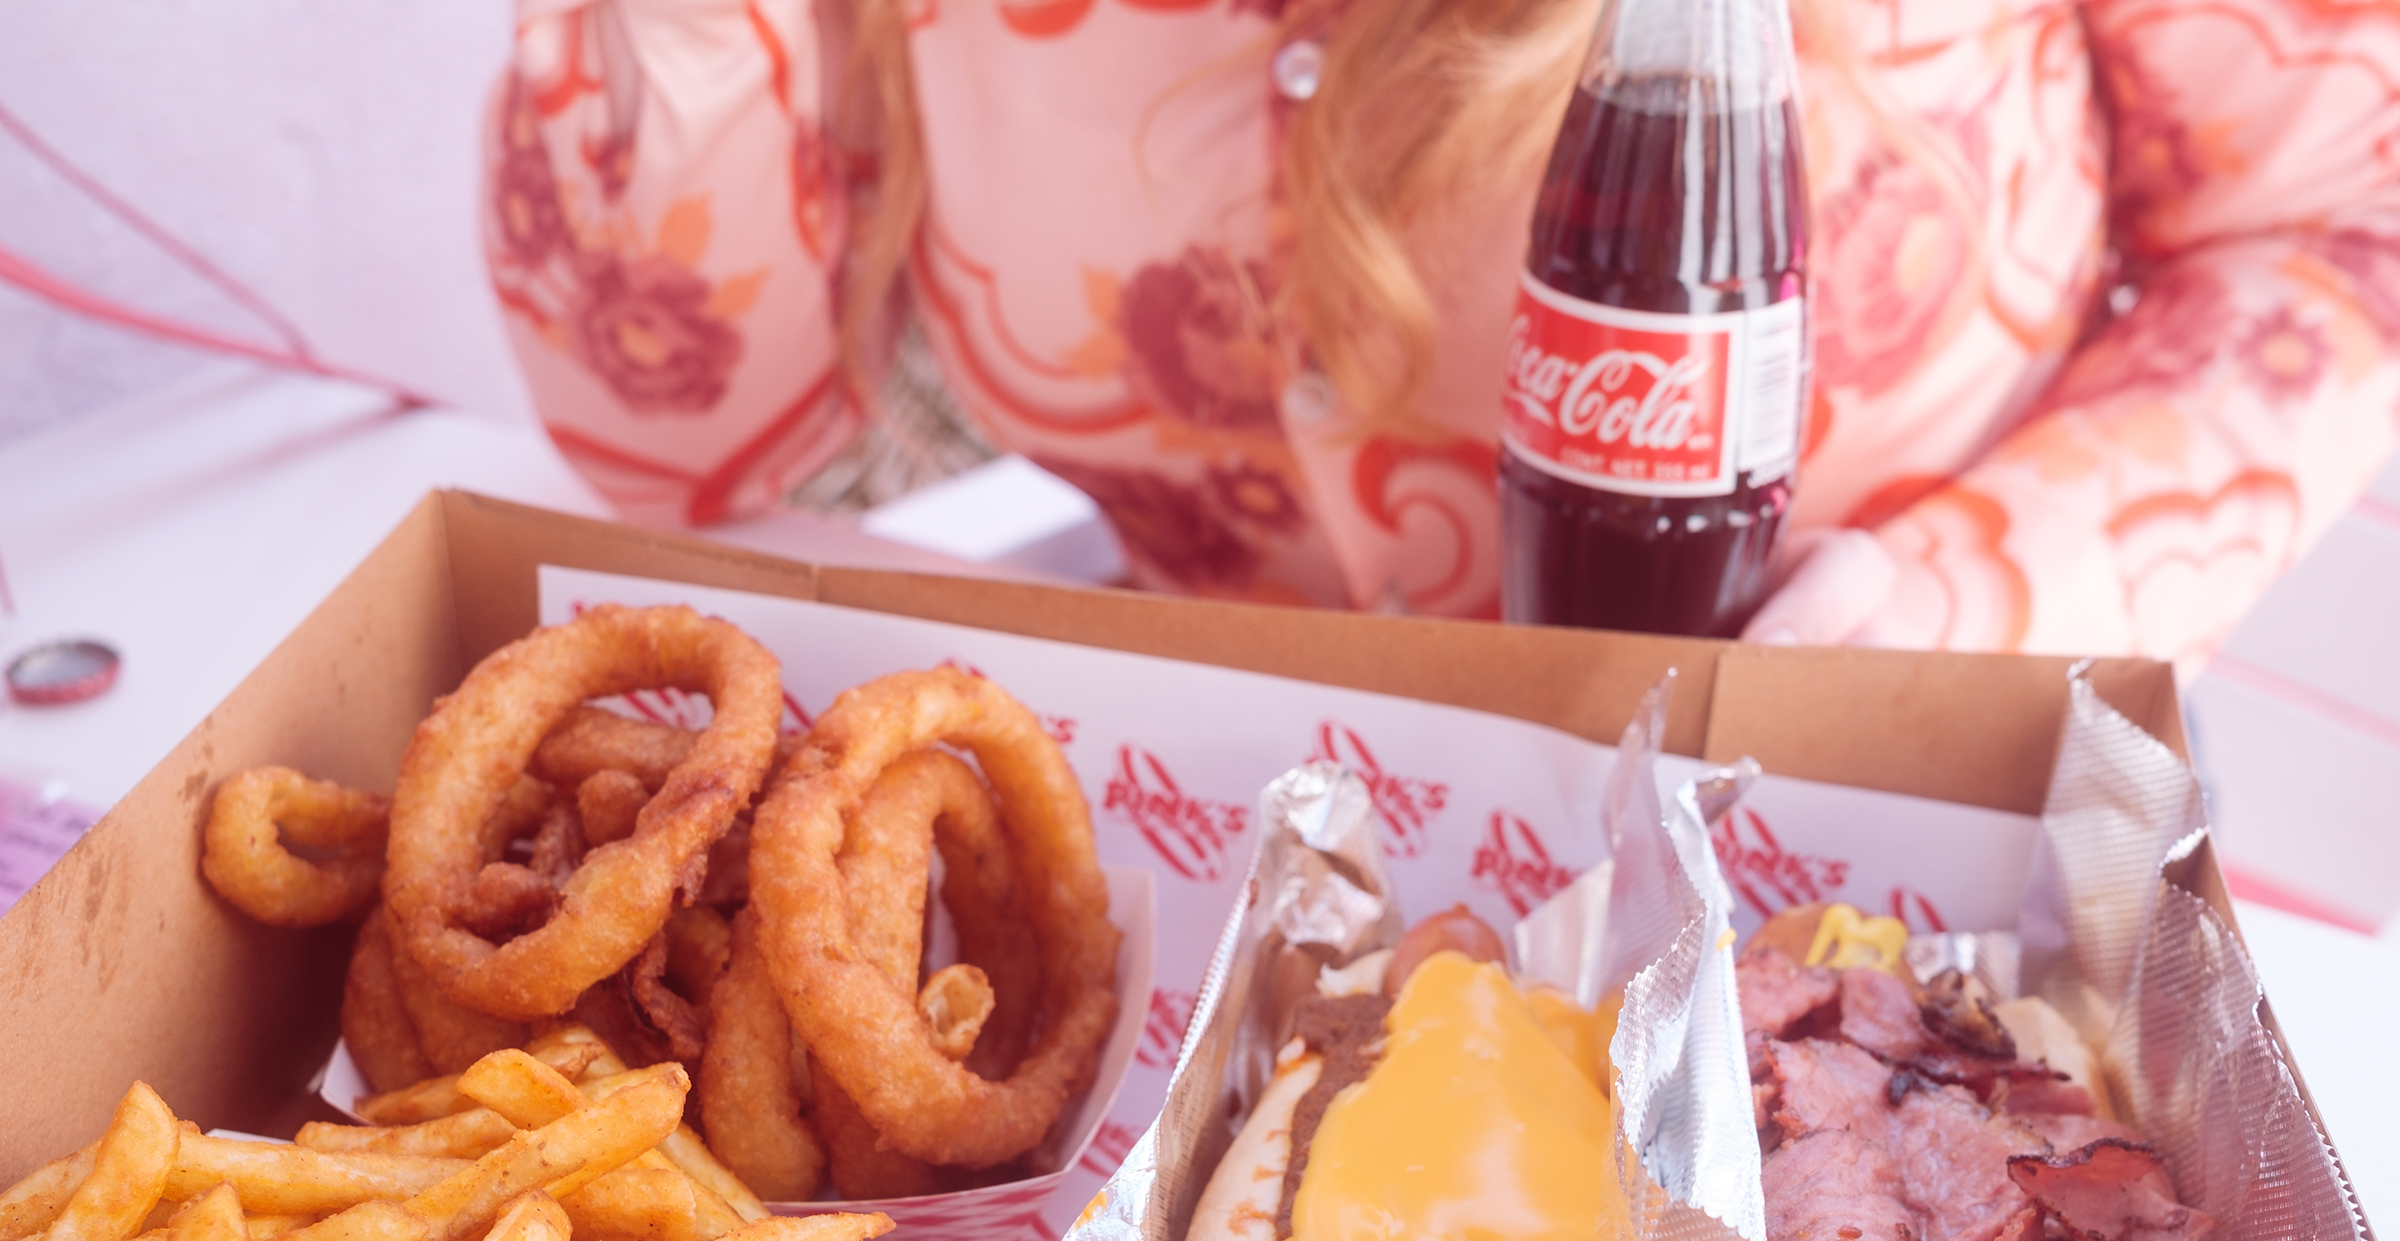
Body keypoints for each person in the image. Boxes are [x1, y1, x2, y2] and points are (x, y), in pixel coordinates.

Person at [484, 0, 2400, 669]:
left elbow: (2347, 215)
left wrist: (1969, 597)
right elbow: (696, 450)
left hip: (1907, 816)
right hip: (1208, 829)